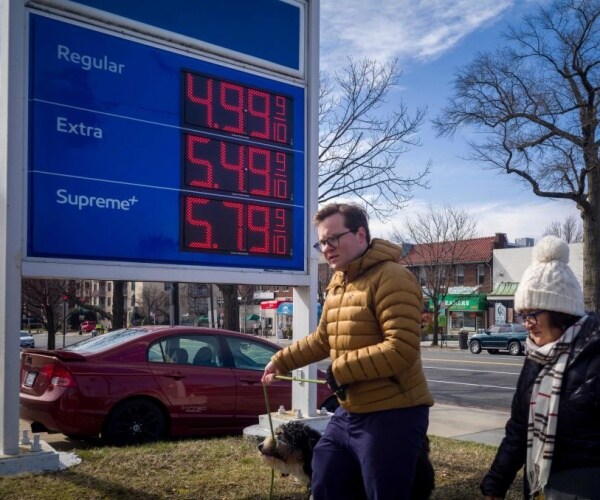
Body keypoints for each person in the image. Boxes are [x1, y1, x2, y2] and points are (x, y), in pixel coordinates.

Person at [261, 202, 433, 499]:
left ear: (361, 234)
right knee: (325, 477)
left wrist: (340, 370)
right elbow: (323, 339)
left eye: (333, 238)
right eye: (322, 242)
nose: (326, 248)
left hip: (393, 413)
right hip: (350, 412)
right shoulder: (338, 283)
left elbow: (401, 348)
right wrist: (281, 360)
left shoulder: (392, 277)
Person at [481, 235, 600, 499]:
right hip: (539, 489)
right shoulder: (535, 357)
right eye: (524, 314)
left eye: (533, 313)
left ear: (560, 311)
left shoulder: (594, 358)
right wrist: (496, 483)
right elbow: (519, 427)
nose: (527, 323)